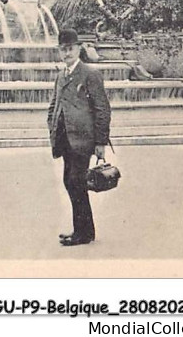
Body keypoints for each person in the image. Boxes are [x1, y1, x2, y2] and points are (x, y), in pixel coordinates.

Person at [47, 27, 111, 247]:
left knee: (76, 181)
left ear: (78, 48)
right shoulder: (61, 74)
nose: (67, 53)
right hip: (65, 138)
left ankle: (82, 233)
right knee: (71, 182)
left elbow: (102, 108)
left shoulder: (89, 73)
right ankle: (83, 230)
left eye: (70, 48)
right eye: (63, 49)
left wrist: (101, 142)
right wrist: (52, 126)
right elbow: (54, 105)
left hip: (83, 139)